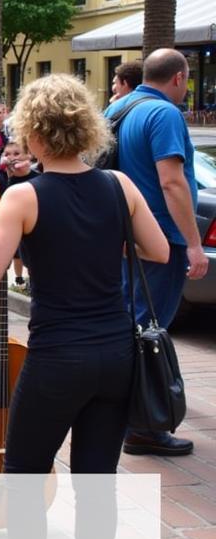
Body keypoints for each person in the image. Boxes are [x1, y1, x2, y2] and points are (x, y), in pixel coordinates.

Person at [0, 74, 168, 539]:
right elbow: (159, 252)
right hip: (116, 353)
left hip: (57, 357)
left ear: (34, 133)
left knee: (26, 471)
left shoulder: (23, 196)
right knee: (97, 480)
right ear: (86, 128)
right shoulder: (119, 186)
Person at [105, 48, 209, 457]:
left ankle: (119, 414)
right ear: (180, 78)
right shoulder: (164, 114)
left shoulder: (120, 108)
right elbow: (172, 182)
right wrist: (194, 244)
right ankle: (143, 427)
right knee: (148, 331)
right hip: (160, 240)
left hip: (125, 237)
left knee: (130, 323)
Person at [0, 139, 38, 286]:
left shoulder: (38, 179)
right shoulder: (1, 180)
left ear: (29, 155)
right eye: (7, 154)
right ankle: (19, 279)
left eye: (17, 153)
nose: (12, 157)